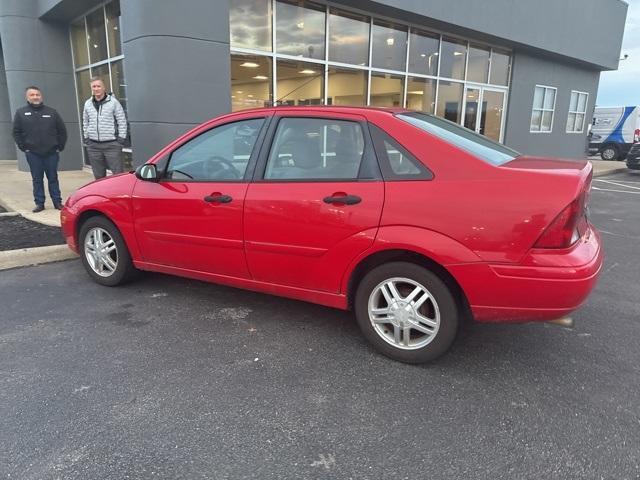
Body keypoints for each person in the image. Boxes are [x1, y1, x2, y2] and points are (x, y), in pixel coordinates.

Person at [12, 86, 67, 213]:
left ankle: (57, 202)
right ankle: (39, 203)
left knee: (53, 177)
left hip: (51, 152)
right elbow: (16, 132)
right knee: (37, 179)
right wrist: (23, 147)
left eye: (37, 94)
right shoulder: (21, 113)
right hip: (33, 153)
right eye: (32, 95)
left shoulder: (52, 112)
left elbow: (62, 131)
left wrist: (60, 146)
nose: (35, 97)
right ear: (27, 97)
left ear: (41, 96)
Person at [82, 76, 128, 179]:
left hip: (112, 145)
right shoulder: (88, 104)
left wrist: (120, 139)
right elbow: (85, 121)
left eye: (98, 86)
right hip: (93, 146)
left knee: (118, 176)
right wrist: (86, 137)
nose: (96, 88)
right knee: (98, 177)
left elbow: (122, 120)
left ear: (104, 88)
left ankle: (118, 195)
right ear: (91, 88)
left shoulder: (113, 102)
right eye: (94, 86)